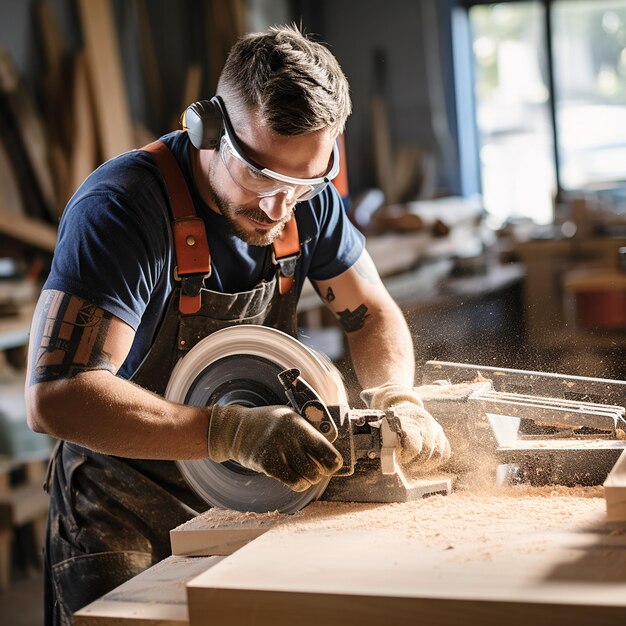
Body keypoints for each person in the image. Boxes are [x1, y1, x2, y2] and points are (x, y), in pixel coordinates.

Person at [25, 25, 451, 625]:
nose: (279, 207)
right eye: (261, 178)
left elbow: (372, 312)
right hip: (123, 501)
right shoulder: (121, 210)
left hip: (250, 487)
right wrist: (229, 433)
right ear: (210, 129)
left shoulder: (307, 200)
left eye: (303, 183)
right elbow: (57, 399)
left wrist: (396, 394)